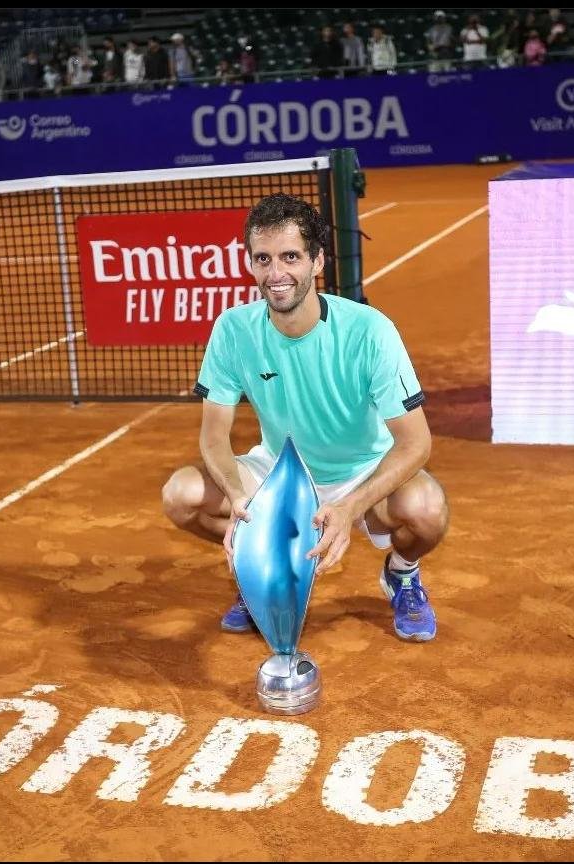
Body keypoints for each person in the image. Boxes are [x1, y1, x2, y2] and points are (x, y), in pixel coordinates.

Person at [162, 194, 448, 642]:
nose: (276, 274)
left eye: (290, 256)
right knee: (181, 494)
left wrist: (350, 506)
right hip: (278, 472)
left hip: (362, 475)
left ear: (317, 261)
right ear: (250, 263)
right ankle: (262, 574)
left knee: (426, 510)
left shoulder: (370, 331)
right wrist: (238, 498)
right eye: (264, 259)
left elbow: (416, 444)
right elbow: (214, 434)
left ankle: (402, 573)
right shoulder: (233, 329)